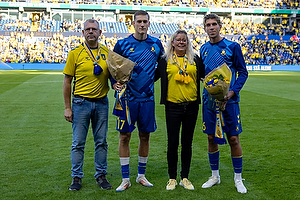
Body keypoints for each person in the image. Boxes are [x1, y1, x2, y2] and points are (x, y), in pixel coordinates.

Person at [112, 10, 164, 192]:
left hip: (147, 99)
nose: (142, 24)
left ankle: (141, 175)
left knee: (145, 136)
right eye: (139, 21)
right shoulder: (122, 44)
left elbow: (163, 68)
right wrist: (114, 83)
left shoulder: (156, 44)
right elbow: (113, 68)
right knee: (124, 136)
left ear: (149, 23)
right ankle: (125, 179)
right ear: (133, 23)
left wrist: (150, 80)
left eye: (145, 21)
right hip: (127, 99)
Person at [199, 13, 248, 194]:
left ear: (220, 26)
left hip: (230, 102)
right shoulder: (203, 49)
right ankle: (215, 176)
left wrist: (232, 91)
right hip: (209, 103)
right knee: (211, 138)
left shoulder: (232, 47)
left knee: (233, 138)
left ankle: (238, 178)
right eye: (208, 25)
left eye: (214, 24)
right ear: (204, 28)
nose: (211, 27)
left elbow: (243, 72)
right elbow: (202, 76)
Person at [63, 19, 112, 191]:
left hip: (101, 103)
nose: (91, 31)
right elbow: (67, 81)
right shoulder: (75, 53)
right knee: (78, 143)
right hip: (80, 103)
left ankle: (101, 176)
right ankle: (76, 178)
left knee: (101, 142)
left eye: (94, 29)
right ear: (83, 33)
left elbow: (114, 76)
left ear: (100, 33)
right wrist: (67, 107)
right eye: (87, 29)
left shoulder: (107, 52)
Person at [155, 30, 205, 191]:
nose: (181, 42)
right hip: (173, 107)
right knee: (172, 143)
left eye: (184, 40)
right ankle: (172, 178)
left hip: (191, 106)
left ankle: (185, 177)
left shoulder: (195, 59)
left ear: (188, 43)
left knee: (187, 143)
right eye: (178, 40)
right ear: (173, 42)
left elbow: (205, 77)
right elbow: (152, 76)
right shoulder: (165, 60)